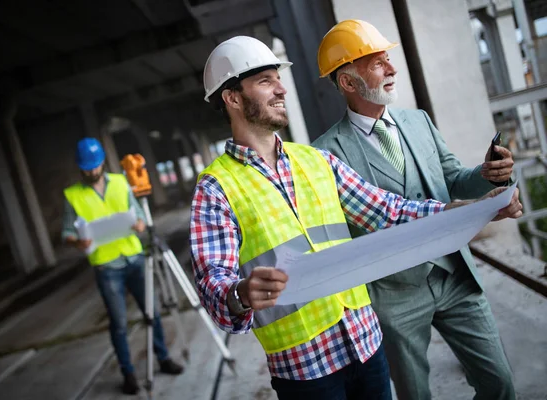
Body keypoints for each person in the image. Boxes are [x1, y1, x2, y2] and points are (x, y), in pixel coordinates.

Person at [189, 36, 522, 400]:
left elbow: (388, 210)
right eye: (265, 81)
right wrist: (241, 293)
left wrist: (472, 211)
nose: (282, 89)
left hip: (365, 342)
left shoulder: (316, 162)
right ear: (233, 97)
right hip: (305, 365)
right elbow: (212, 286)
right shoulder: (216, 188)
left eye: (278, 78)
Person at [312, 19, 517, 400]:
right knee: (415, 395)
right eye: (377, 63)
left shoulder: (417, 121)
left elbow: (454, 178)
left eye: (388, 59)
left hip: (455, 277)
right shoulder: (325, 154)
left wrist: (487, 175)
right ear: (348, 82)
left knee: (499, 383)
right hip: (395, 296)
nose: (391, 69)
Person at [62, 138, 183, 395]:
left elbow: (138, 213)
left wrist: (140, 224)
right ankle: (128, 373)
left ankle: (163, 358)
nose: (91, 172)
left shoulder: (120, 182)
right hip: (106, 266)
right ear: (80, 167)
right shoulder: (72, 195)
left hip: (133, 257)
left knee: (153, 312)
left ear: (102, 162)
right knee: (118, 324)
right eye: (86, 168)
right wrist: (77, 241)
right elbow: (65, 233)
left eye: (94, 166)